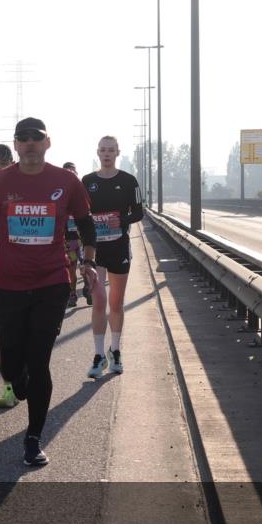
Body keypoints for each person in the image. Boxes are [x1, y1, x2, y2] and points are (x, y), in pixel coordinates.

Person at [0, 118, 97, 467]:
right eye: (22, 138)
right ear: (15, 144)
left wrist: (87, 261)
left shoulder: (66, 181)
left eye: (35, 138)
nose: (29, 143)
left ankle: (33, 439)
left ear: (47, 142)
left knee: (39, 359)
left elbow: (86, 223)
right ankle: (17, 380)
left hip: (51, 283)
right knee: (11, 364)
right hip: (9, 283)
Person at [82, 136, 144, 377]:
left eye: (111, 150)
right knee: (99, 300)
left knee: (116, 302)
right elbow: (78, 212)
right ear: (98, 152)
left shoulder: (128, 181)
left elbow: (139, 211)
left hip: (118, 246)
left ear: (117, 152)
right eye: (103, 150)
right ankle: (98, 356)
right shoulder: (87, 181)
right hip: (95, 249)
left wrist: (123, 220)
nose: (107, 154)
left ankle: (115, 351)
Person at [61, 162, 92, 308]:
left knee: (86, 266)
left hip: (83, 241)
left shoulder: (82, 194)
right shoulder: (59, 196)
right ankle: (72, 294)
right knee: (72, 268)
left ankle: (87, 289)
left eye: (73, 173)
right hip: (70, 242)